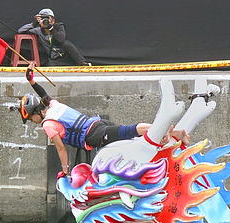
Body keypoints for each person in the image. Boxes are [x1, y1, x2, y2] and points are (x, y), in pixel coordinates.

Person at [17, 65, 161, 177]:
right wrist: (31, 81)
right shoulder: (54, 105)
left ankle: (162, 129)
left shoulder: (48, 125)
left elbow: (61, 149)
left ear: (36, 112)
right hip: (99, 123)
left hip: (95, 135)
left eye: (30, 118)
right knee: (127, 137)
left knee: (130, 130)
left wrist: (65, 172)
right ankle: (159, 141)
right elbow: (43, 95)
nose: (32, 121)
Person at [17, 8, 89, 67]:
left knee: (67, 43)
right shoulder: (38, 30)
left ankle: (83, 63)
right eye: (43, 18)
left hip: (66, 56)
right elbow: (20, 31)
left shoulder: (58, 26)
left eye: (47, 18)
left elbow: (61, 40)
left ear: (53, 20)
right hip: (54, 59)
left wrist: (51, 28)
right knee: (50, 67)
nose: (45, 20)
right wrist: (33, 23)